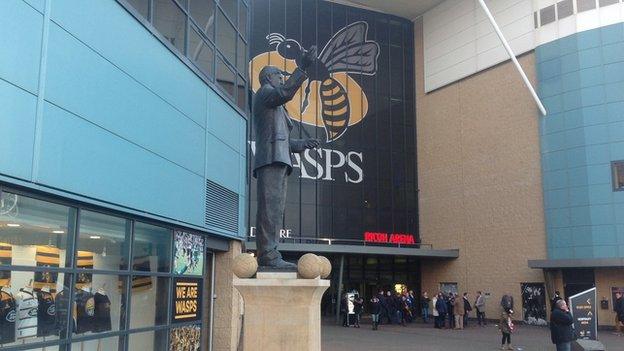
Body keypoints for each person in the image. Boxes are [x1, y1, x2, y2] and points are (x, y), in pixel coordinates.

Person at [253, 47, 320, 269]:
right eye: (279, 76)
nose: (282, 79)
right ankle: (268, 255)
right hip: (271, 159)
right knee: (269, 207)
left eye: (283, 76)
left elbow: (282, 139)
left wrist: (302, 144)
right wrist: (302, 68)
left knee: (276, 208)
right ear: (268, 78)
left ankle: (271, 252)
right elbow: (285, 93)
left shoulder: (276, 105)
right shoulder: (265, 92)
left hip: (279, 158)